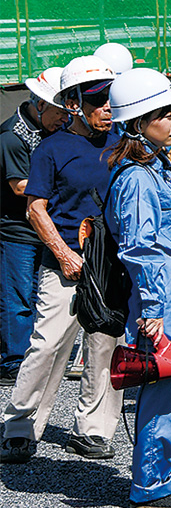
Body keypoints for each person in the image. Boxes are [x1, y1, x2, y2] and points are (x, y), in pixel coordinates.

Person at [0, 56, 122, 464]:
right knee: (47, 345)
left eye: (111, 99)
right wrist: (64, 254)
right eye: (97, 100)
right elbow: (36, 208)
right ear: (73, 103)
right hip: (66, 262)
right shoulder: (51, 149)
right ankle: (19, 426)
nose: (107, 107)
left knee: (106, 348)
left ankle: (92, 430)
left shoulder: (124, 142)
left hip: (111, 267)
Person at [106, 69, 171, 508]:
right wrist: (152, 307)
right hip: (165, 309)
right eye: (163, 115)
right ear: (137, 122)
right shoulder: (135, 179)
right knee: (166, 400)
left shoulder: (156, 172)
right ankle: (152, 487)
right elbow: (139, 248)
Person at [0, 67, 68, 381]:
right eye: (58, 111)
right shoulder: (12, 136)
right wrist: (62, 184)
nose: (63, 119)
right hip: (16, 229)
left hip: (42, 225)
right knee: (17, 296)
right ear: (39, 104)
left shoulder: (50, 132)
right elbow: (18, 186)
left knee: (39, 294)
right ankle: (14, 360)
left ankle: (35, 355)